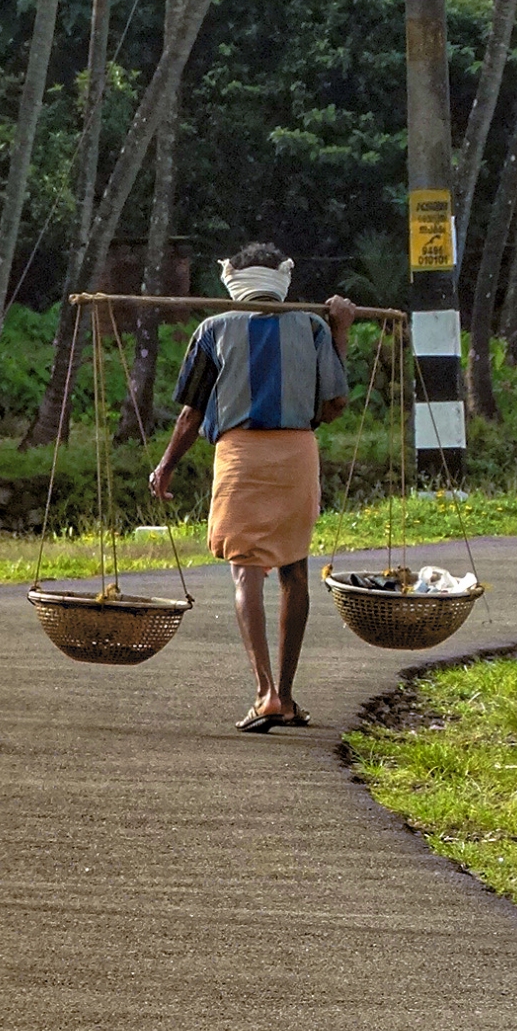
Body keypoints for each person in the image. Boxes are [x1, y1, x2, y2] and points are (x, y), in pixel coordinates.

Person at [148, 243, 353, 731]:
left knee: (246, 574)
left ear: (233, 283)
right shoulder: (313, 326)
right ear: (282, 281)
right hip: (296, 453)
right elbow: (334, 404)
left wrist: (166, 465)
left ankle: (265, 694)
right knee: (293, 569)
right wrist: (342, 329)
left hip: (241, 455)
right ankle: (285, 694)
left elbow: (191, 413)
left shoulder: (214, 329)